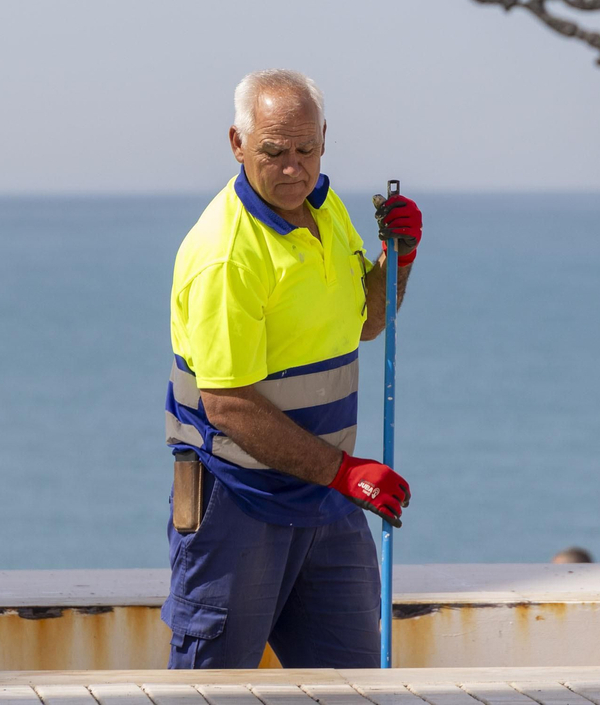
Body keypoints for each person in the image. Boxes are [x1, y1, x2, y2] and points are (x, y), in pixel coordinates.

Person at [161, 68, 424, 669]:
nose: (292, 169)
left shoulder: (326, 214)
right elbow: (227, 404)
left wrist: (398, 257)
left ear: (325, 139)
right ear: (237, 144)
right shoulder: (226, 255)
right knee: (212, 690)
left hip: (327, 502)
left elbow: (366, 321)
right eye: (273, 152)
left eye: (306, 150)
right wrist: (345, 471)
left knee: (354, 685)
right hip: (239, 501)